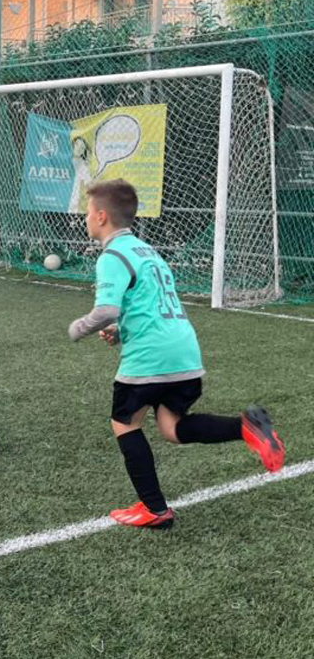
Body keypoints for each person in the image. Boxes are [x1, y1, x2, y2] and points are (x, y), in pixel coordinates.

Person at [68, 179, 285, 529]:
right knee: (172, 427)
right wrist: (121, 331)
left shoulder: (112, 255)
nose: (86, 218)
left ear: (102, 216)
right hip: (184, 352)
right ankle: (246, 427)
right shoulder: (147, 251)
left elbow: (106, 310)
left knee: (124, 423)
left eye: (89, 212)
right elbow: (149, 304)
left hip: (150, 358)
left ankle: (155, 509)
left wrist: (78, 328)